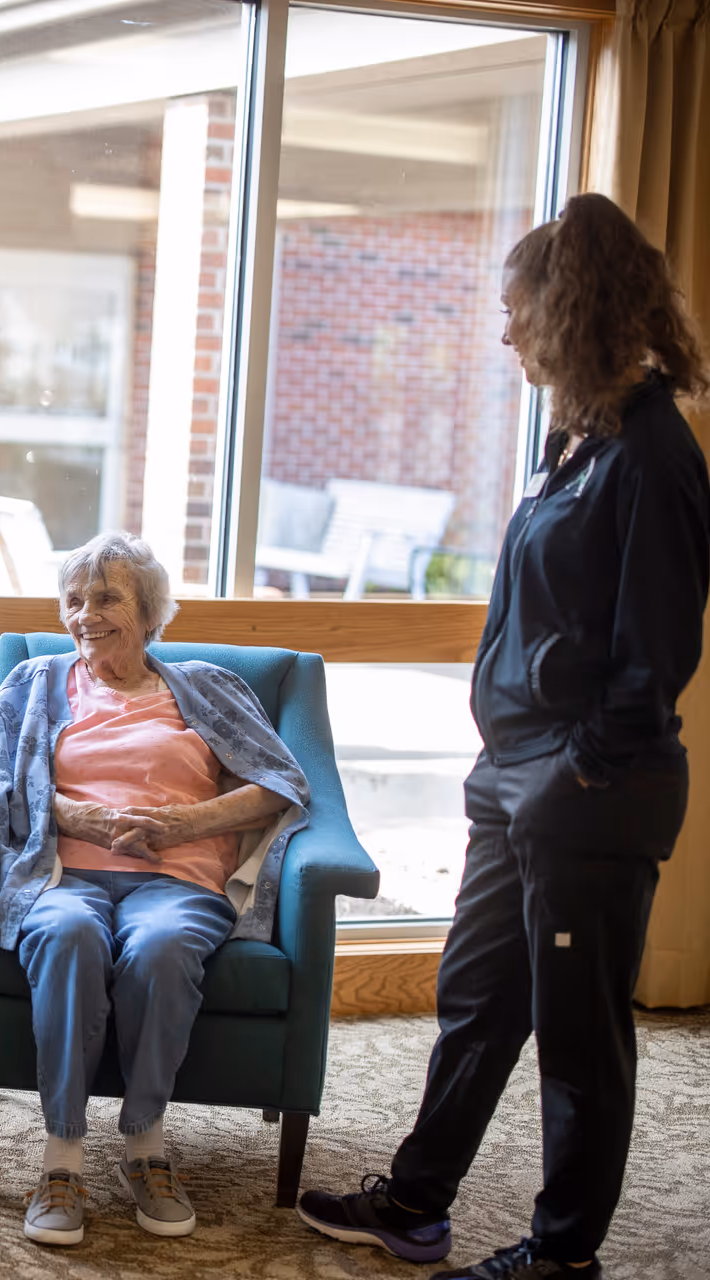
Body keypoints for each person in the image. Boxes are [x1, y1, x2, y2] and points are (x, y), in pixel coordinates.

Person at [298, 193, 710, 1280]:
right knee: (476, 1000)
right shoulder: (575, 438)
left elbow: (654, 652)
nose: (504, 331)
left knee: (580, 1044)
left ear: (569, 309)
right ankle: (417, 1203)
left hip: (587, 792)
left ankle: (563, 1257)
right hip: (514, 777)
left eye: (516, 308)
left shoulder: (656, 455)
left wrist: (576, 771)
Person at [0, 530, 310, 1248]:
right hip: (61, 871)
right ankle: (61, 1157)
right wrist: (70, 812)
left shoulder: (207, 687)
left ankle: (145, 1146)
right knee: (66, 935)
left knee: (158, 948)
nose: (85, 613)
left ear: (151, 614)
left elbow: (280, 785)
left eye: (106, 598)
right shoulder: (34, 683)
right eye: (74, 599)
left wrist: (181, 825)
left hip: (178, 879)